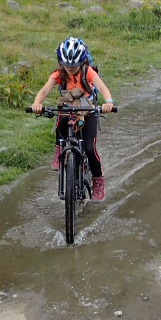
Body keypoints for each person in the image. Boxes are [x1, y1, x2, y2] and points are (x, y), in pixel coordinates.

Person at [31, 37, 115, 201]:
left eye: (74, 66)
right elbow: (44, 91)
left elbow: (103, 88)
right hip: (68, 108)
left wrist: (108, 102)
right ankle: (59, 150)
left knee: (90, 149)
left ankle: (98, 181)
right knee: (61, 118)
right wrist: (36, 104)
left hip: (87, 110)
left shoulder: (88, 72)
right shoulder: (58, 74)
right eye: (66, 65)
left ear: (82, 62)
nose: (70, 68)